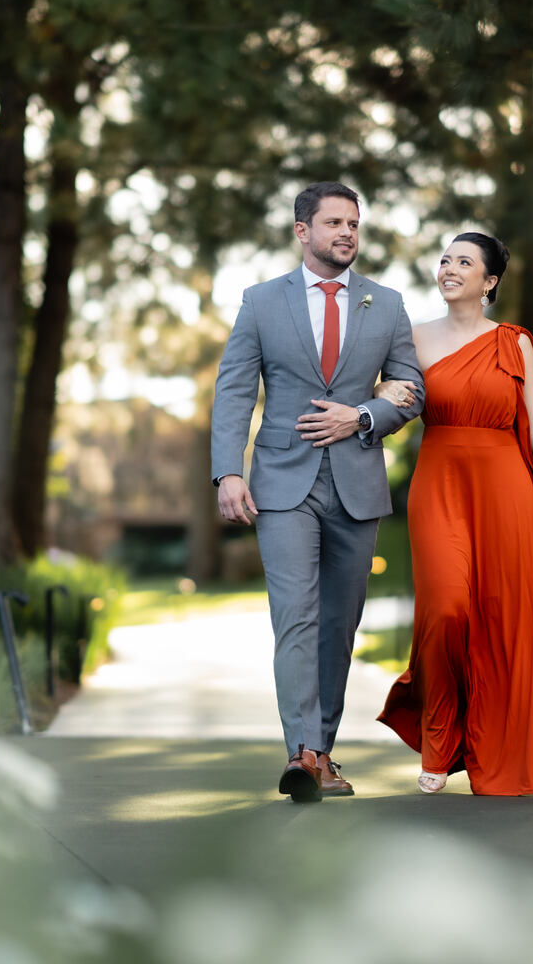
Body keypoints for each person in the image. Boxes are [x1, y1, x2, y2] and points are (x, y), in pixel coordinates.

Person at [211, 181, 425, 802]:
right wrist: (228, 471)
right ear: (302, 230)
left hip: (357, 485)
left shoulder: (384, 305)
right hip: (282, 483)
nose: (347, 234)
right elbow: (232, 391)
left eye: (354, 224)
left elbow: (410, 385)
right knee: (296, 617)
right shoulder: (260, 302)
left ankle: (323, 750)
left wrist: (360, 417)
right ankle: (302, 754)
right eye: (334, 223)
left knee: (340, 621)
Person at [376, 232, 533, 796]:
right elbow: (388, 398)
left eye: (464, 262)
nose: (449, 268)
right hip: (440, 484)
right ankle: (440, 737)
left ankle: (505, 748)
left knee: (505, 618)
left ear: (489, 280)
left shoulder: (513, 342)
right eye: (445, 259)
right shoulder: (411, 338)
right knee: (446, 610)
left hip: (506, 488)